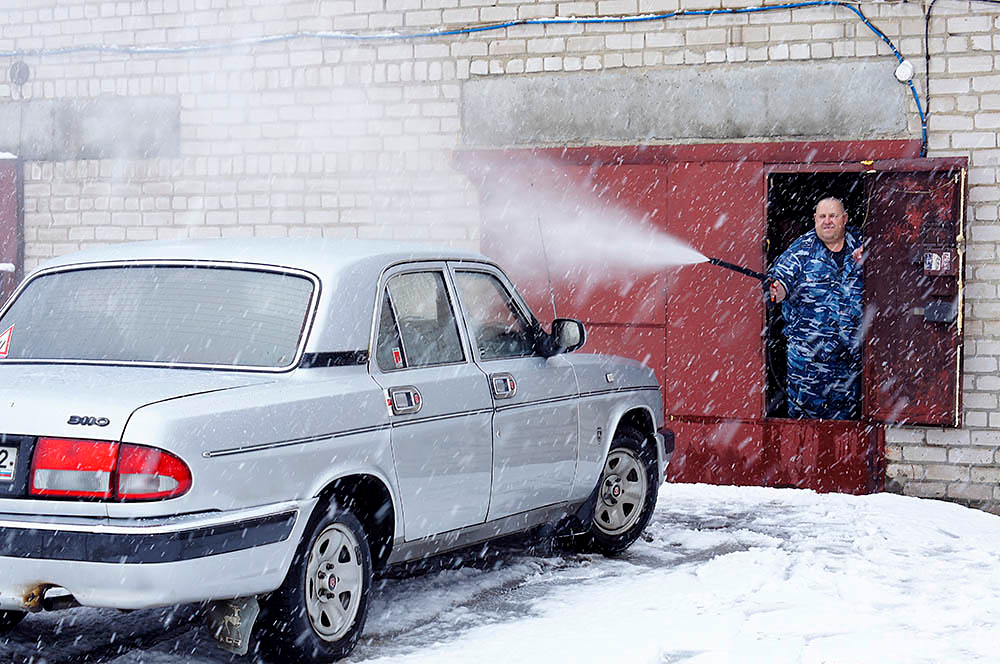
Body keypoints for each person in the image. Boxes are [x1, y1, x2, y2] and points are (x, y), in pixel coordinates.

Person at [767, 197, 864, 420]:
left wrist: (869, 254)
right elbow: (780, 282)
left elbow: (889, 249)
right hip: (810, 366)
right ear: (815, 219)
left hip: (850, 364)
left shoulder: (860, 241)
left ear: (845, 219)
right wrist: (777, 289)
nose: (827, 221)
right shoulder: (800, 251)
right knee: (807, 431)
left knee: (849, 431)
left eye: (833, 216)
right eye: (822, 216)